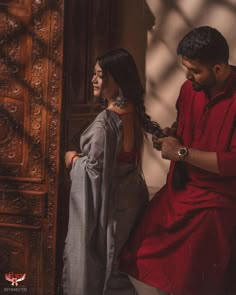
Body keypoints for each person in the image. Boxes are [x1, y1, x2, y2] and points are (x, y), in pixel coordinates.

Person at [119, 26, 236, 295]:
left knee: (191, 274)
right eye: (185, 68)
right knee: (138, 254)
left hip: (219, 199)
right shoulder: (189, 88)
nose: (187, 76)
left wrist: (182, 153)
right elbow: (184, 125)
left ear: (218, 69)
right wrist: (171, 135)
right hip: (180, 189)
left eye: (195, 70)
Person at [62, 48, 163, 295]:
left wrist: (73, 159)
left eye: (99, 75)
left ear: (115, 79)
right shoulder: (130, 109)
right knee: (119, 265)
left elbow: (94, 171)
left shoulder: (106, 122)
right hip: (132, 197)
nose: (93, 80)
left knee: (106, 267)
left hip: (113, 202)